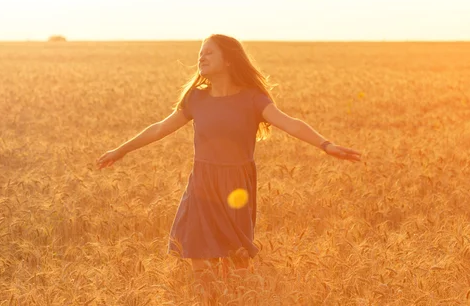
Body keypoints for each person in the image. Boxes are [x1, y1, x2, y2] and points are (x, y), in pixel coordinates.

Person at [96, 34, 362, 304]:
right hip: (202, 184)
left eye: (209, 52)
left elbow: (290, 123)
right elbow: (160, 128)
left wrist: (326, 145)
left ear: (229, 60)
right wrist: (121, 150)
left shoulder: (252, 99)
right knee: (198, 255)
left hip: (236, 187)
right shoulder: (195, 99)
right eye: (200, 52)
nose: (202, 57)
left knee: (238, 264)